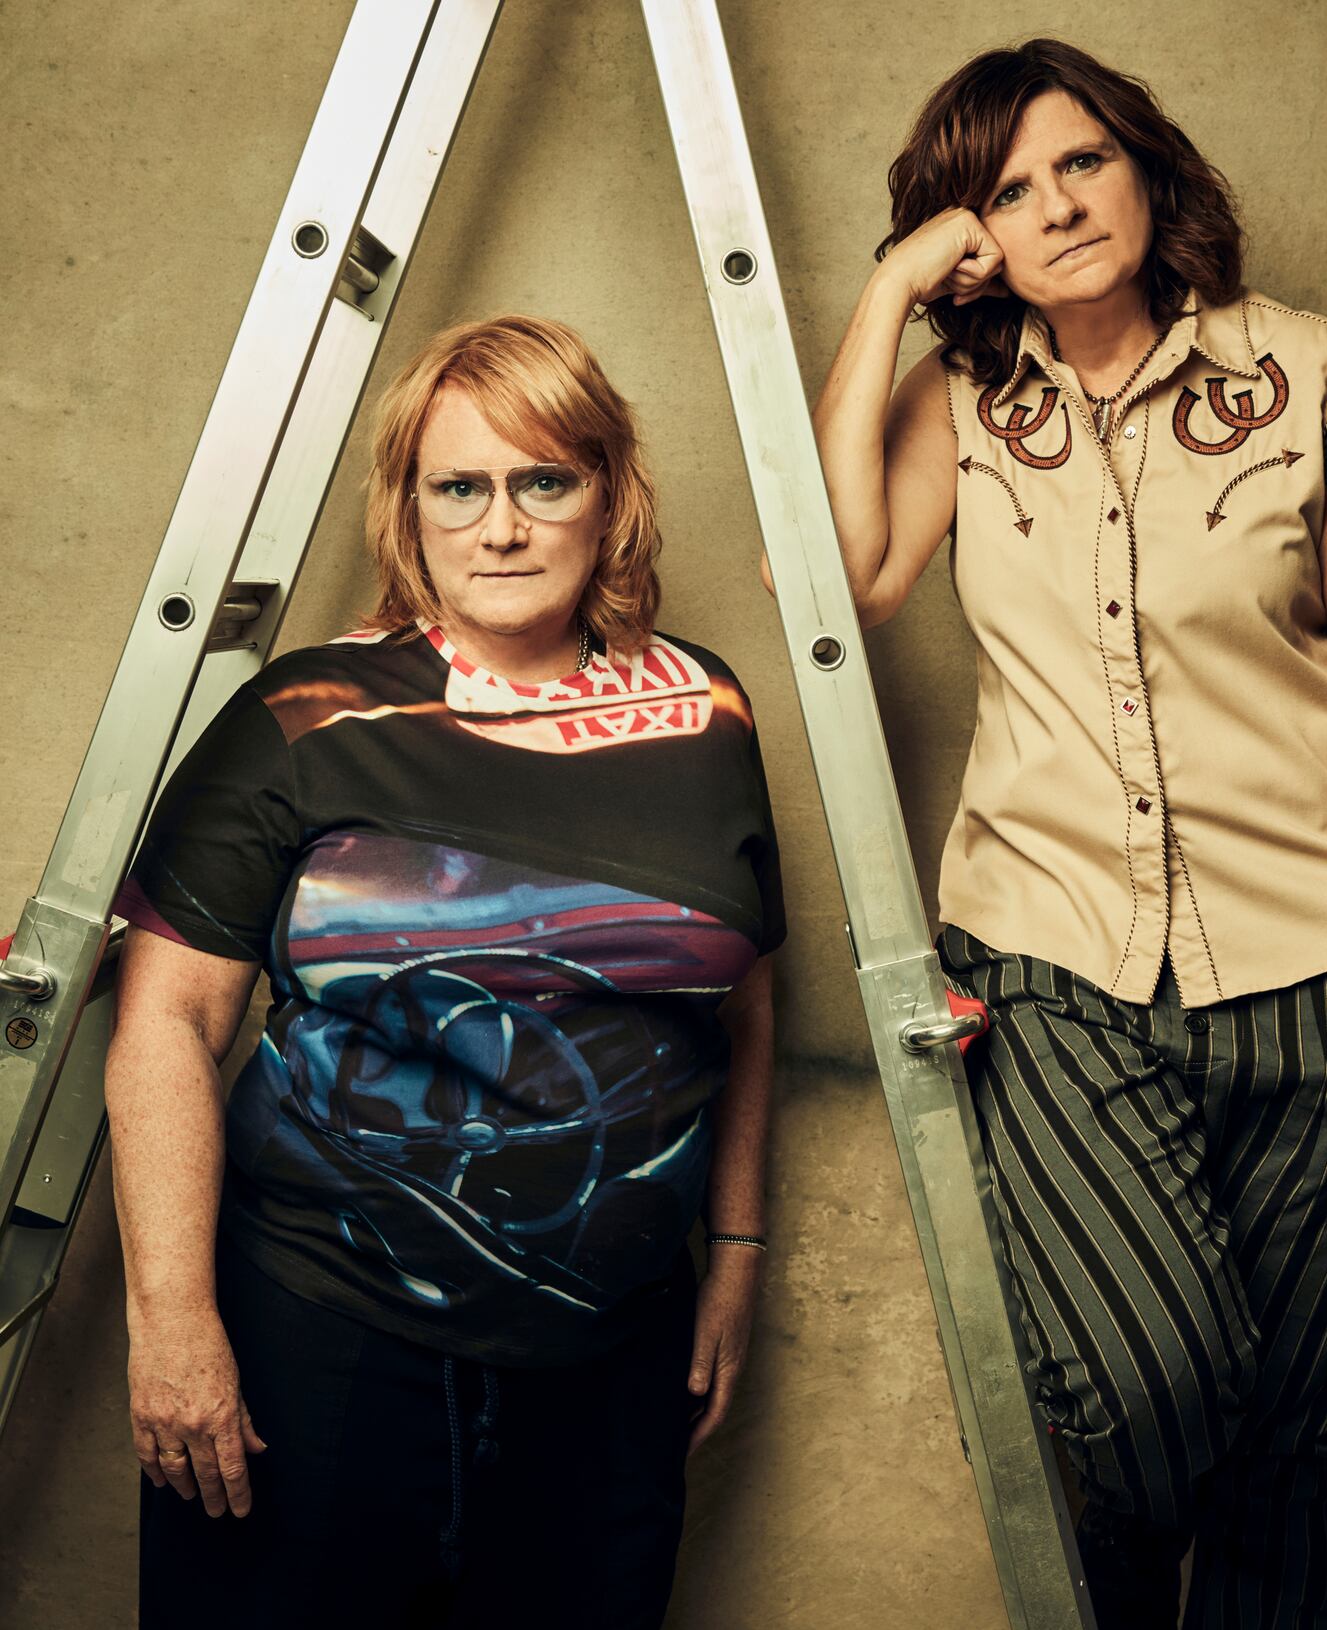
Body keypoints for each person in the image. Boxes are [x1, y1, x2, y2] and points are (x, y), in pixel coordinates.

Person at [807, 38, 1327, 1630]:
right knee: (1150, 1382)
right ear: (974, 236)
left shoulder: (1303, 372)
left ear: (1146, 165)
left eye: (1080, 160)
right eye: (1006, 191)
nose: (1057, 205)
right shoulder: (968, 397)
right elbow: (846, 576)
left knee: (1303, 1451)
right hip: (1055, 975)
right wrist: (893, 293)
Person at [107, 314, 785, 1629]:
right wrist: (174, 1320)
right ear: (407, 512)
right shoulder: (307, 717)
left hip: (608, 1378)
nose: (503, 526)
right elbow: (168, 1021)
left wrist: (740, 1253)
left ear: (610, 498)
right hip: (316, 1347)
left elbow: (743, 999)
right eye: (459, 487)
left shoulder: (708, 711)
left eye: (546, 481)